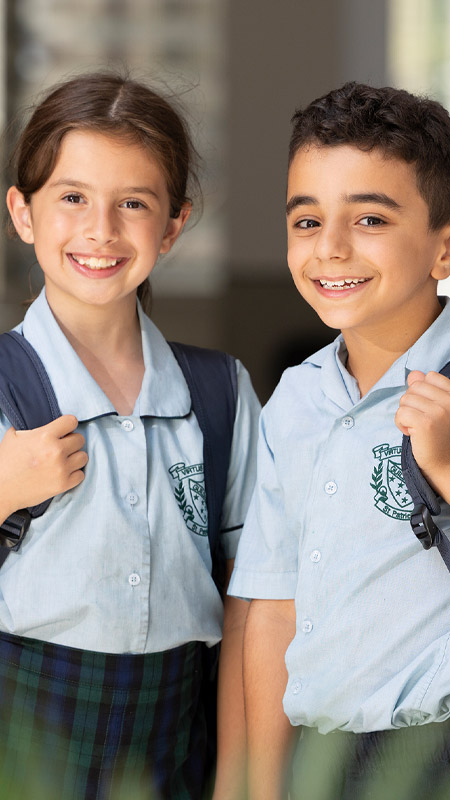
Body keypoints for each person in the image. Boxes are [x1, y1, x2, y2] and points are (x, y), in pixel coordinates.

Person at [0, 72, 259, 800]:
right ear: (23, 212)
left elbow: (253, 602)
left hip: (175, 735)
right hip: (24, 730)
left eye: (133, 204)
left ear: (173, 225)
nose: (101, 231)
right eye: (72, 197)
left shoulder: (220, 395)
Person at [229, 81, 450, 800]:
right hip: (319, 763)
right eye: (305, 221)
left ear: (444, 250)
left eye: (371, 219)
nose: (330, 249)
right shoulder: (294, 401)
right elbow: (273, 609)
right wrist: (265, 787)